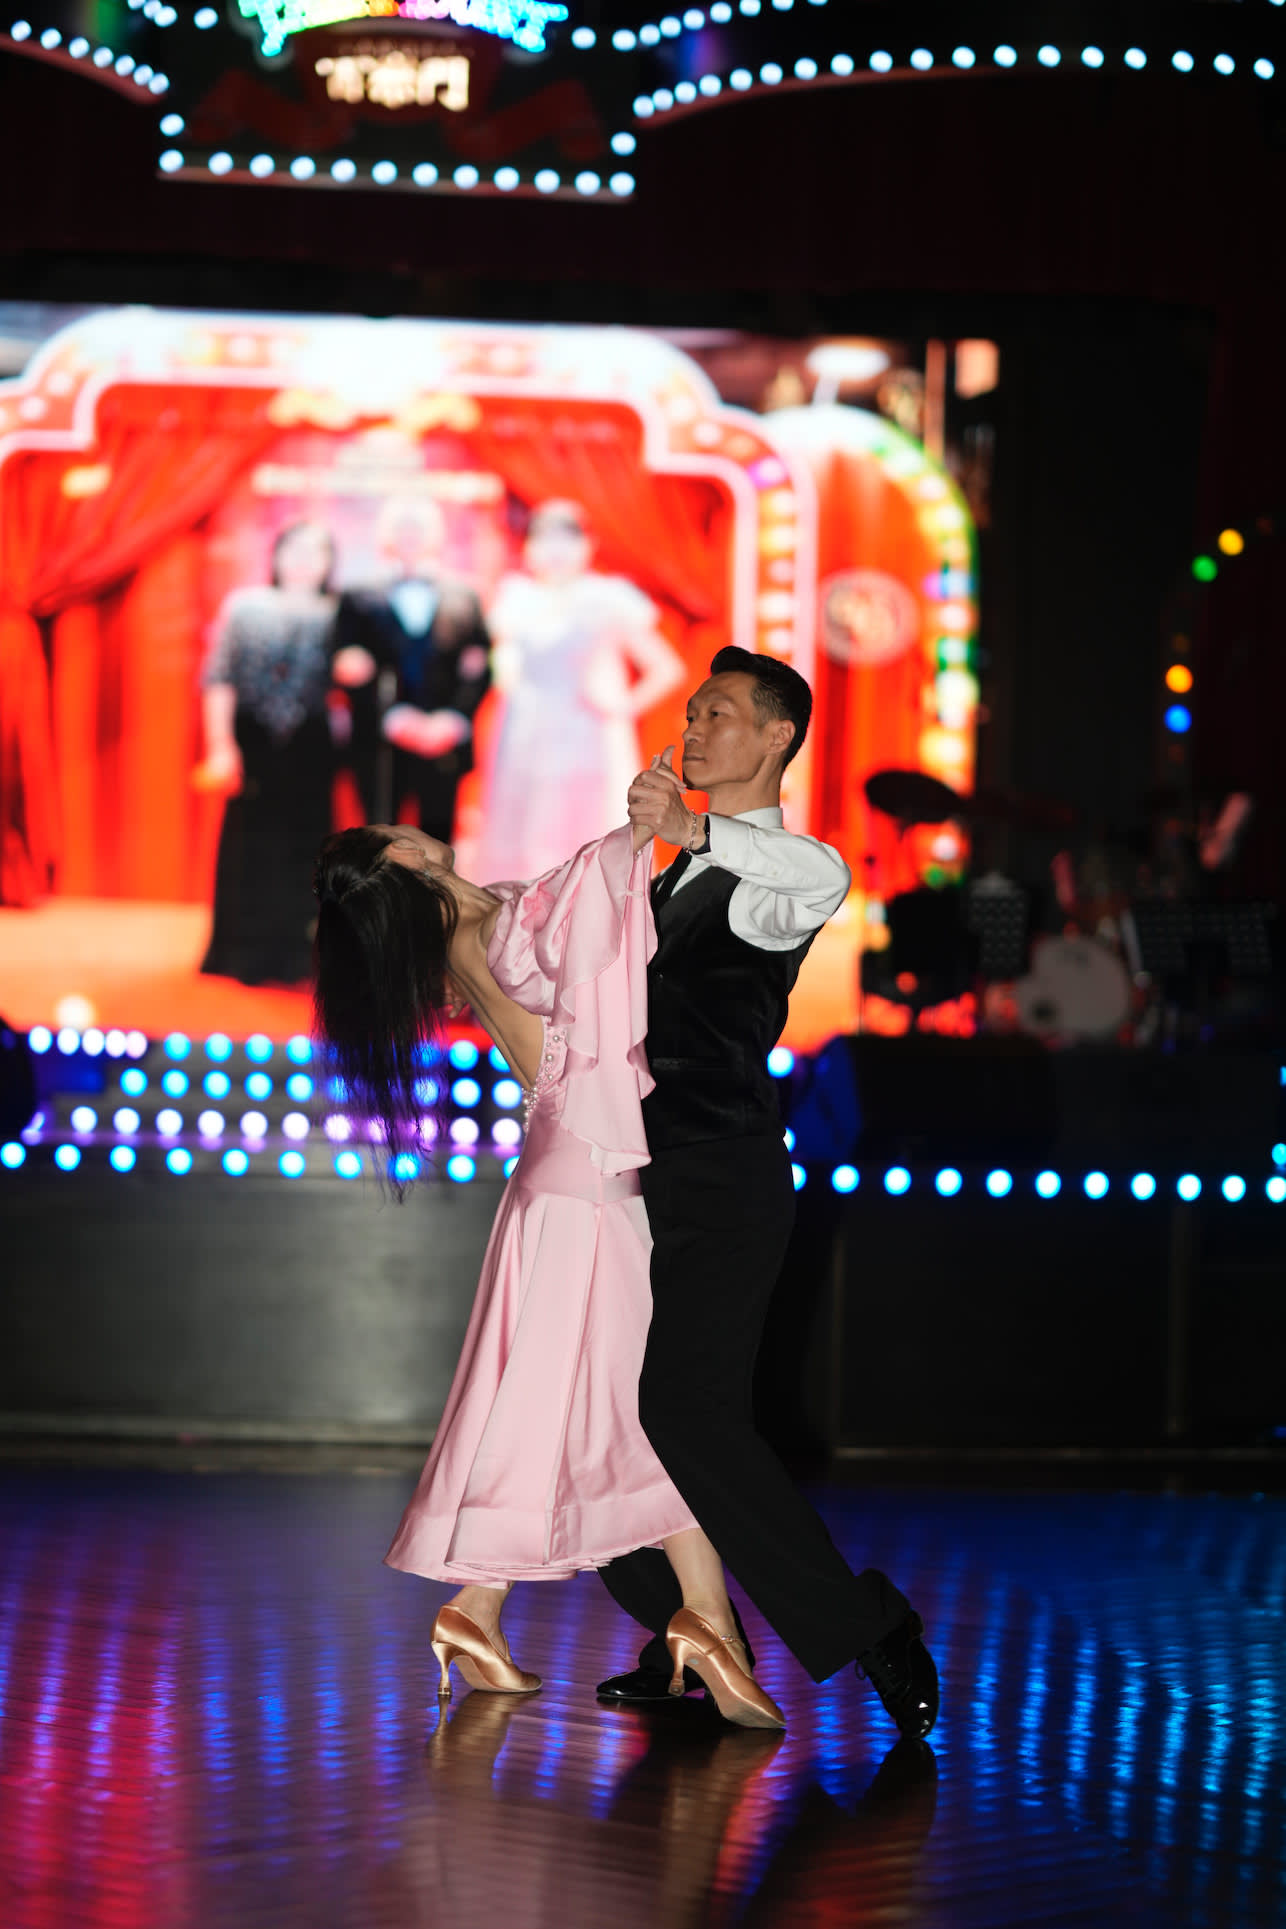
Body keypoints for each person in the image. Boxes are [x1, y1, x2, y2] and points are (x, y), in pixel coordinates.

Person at [311, 814, 787, 1729]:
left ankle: (479, 1608)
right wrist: (639, 830)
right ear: (399, 857)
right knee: (657, 1405)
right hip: (587, 1185)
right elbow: (582, 910)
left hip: (563, 1176)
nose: (413, 824)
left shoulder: (475, 923)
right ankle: (706, 1621)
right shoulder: (488, 925)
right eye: (396, 829)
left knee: (569, 1402)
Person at [596, 646, 941, 1741]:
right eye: (690, 714)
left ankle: (865, 1622)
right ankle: (687, 1633)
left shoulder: (783, 871)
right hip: (638, 1173)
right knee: (604, 1410)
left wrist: (691, 831)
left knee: (683, 1409)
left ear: (778, 734)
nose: (693, 730)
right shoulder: (675, 876)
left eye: (718, 715)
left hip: (723, 1171)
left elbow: (818, 873)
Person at [475, 499, 686, 880]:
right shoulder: (516, 598)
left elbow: (667, 668)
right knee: (524, 837)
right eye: (544, 539)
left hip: (586, 738)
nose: (555, 551)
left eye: (567, 540)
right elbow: (502, 664)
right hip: (524, 736)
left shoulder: (608, 599)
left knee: (582, 830)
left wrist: (623, 705)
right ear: (528, 547)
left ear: (588, 545)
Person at [197, 519, 337, 986]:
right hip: (253, 743)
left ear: (329, 563)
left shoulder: (339, 614)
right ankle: (241, 957)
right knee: (248, 847)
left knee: (307, 853)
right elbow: (219, 677)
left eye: (315, 551)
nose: (302, 560)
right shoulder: (245, 607)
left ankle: (296, 960)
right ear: (275, 555)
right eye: (293, 549)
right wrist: (221, 745)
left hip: (313, 748)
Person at [331, 497, 491, 837]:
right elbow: (343, 667)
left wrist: (454, 719)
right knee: (379, 842)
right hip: (379, 744)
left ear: (436, 534)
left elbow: (480, 668)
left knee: (439, 843)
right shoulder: (357, 595)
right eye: (401, 526)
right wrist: (391, 718)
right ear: (385, 534)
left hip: (443, 741)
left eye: (418, 527)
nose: (410, 535)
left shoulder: (465, 595)